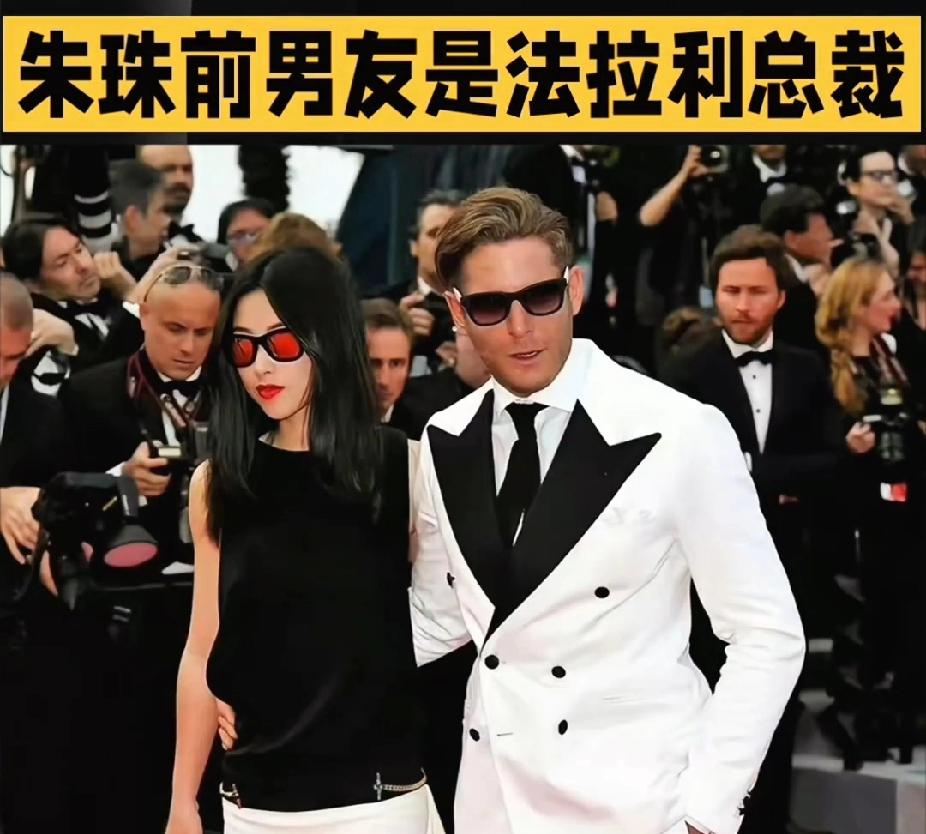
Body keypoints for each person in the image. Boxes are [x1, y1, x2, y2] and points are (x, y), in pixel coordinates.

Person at [408, 187, 805, 834]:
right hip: (495, 802)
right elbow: (437, 617)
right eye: (490, 305)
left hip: (641, 804)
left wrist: (706, 811)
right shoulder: (443, 438)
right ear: (457, 310)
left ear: (575, 289)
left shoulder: (679, 429)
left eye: (540, 296)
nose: (520, 327)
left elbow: (767, 633)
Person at [166, 247, 441, 834]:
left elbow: (453, 615)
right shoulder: (219, 483)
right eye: (243, 348)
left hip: (376, 802)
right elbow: (201, 649)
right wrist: (182, 802)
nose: (260, 367)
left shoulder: (405, 467)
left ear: (327, 338)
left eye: (282, 343)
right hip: (252, 801)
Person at [661, 226, 844, 834]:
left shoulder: (807, 369)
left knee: (778, 705)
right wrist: (779, 479)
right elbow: (675, 471)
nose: (741, 304)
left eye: (756, 291)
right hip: (701, 579)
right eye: (730, 290)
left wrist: (749, 471)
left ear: (781, 297)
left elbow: (833, 464)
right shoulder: (685, 370)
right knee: (711, 706)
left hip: (792, 561)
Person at [814, 255, 926, 768]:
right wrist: (848, 445)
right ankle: (860, 712)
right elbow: (818, 441)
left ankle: (898, 709)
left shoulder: (891, 354)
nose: (895, 305)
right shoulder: (825, 366)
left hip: (902, 505)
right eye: (885, 296)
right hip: (853, 512)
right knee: (866, 612)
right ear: (859, 305)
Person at [1, 214, 135, 394]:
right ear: (33, 285)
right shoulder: (40, 328)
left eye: (79, 249)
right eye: (63, 263)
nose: (83, 266)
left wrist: (129, 293)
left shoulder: (108, 292)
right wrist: (73, 349)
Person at [362, 298, 416, 430]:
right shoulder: (320, 424)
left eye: (396, 364)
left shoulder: (425, 427)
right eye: (374, 364)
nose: (384, 380)